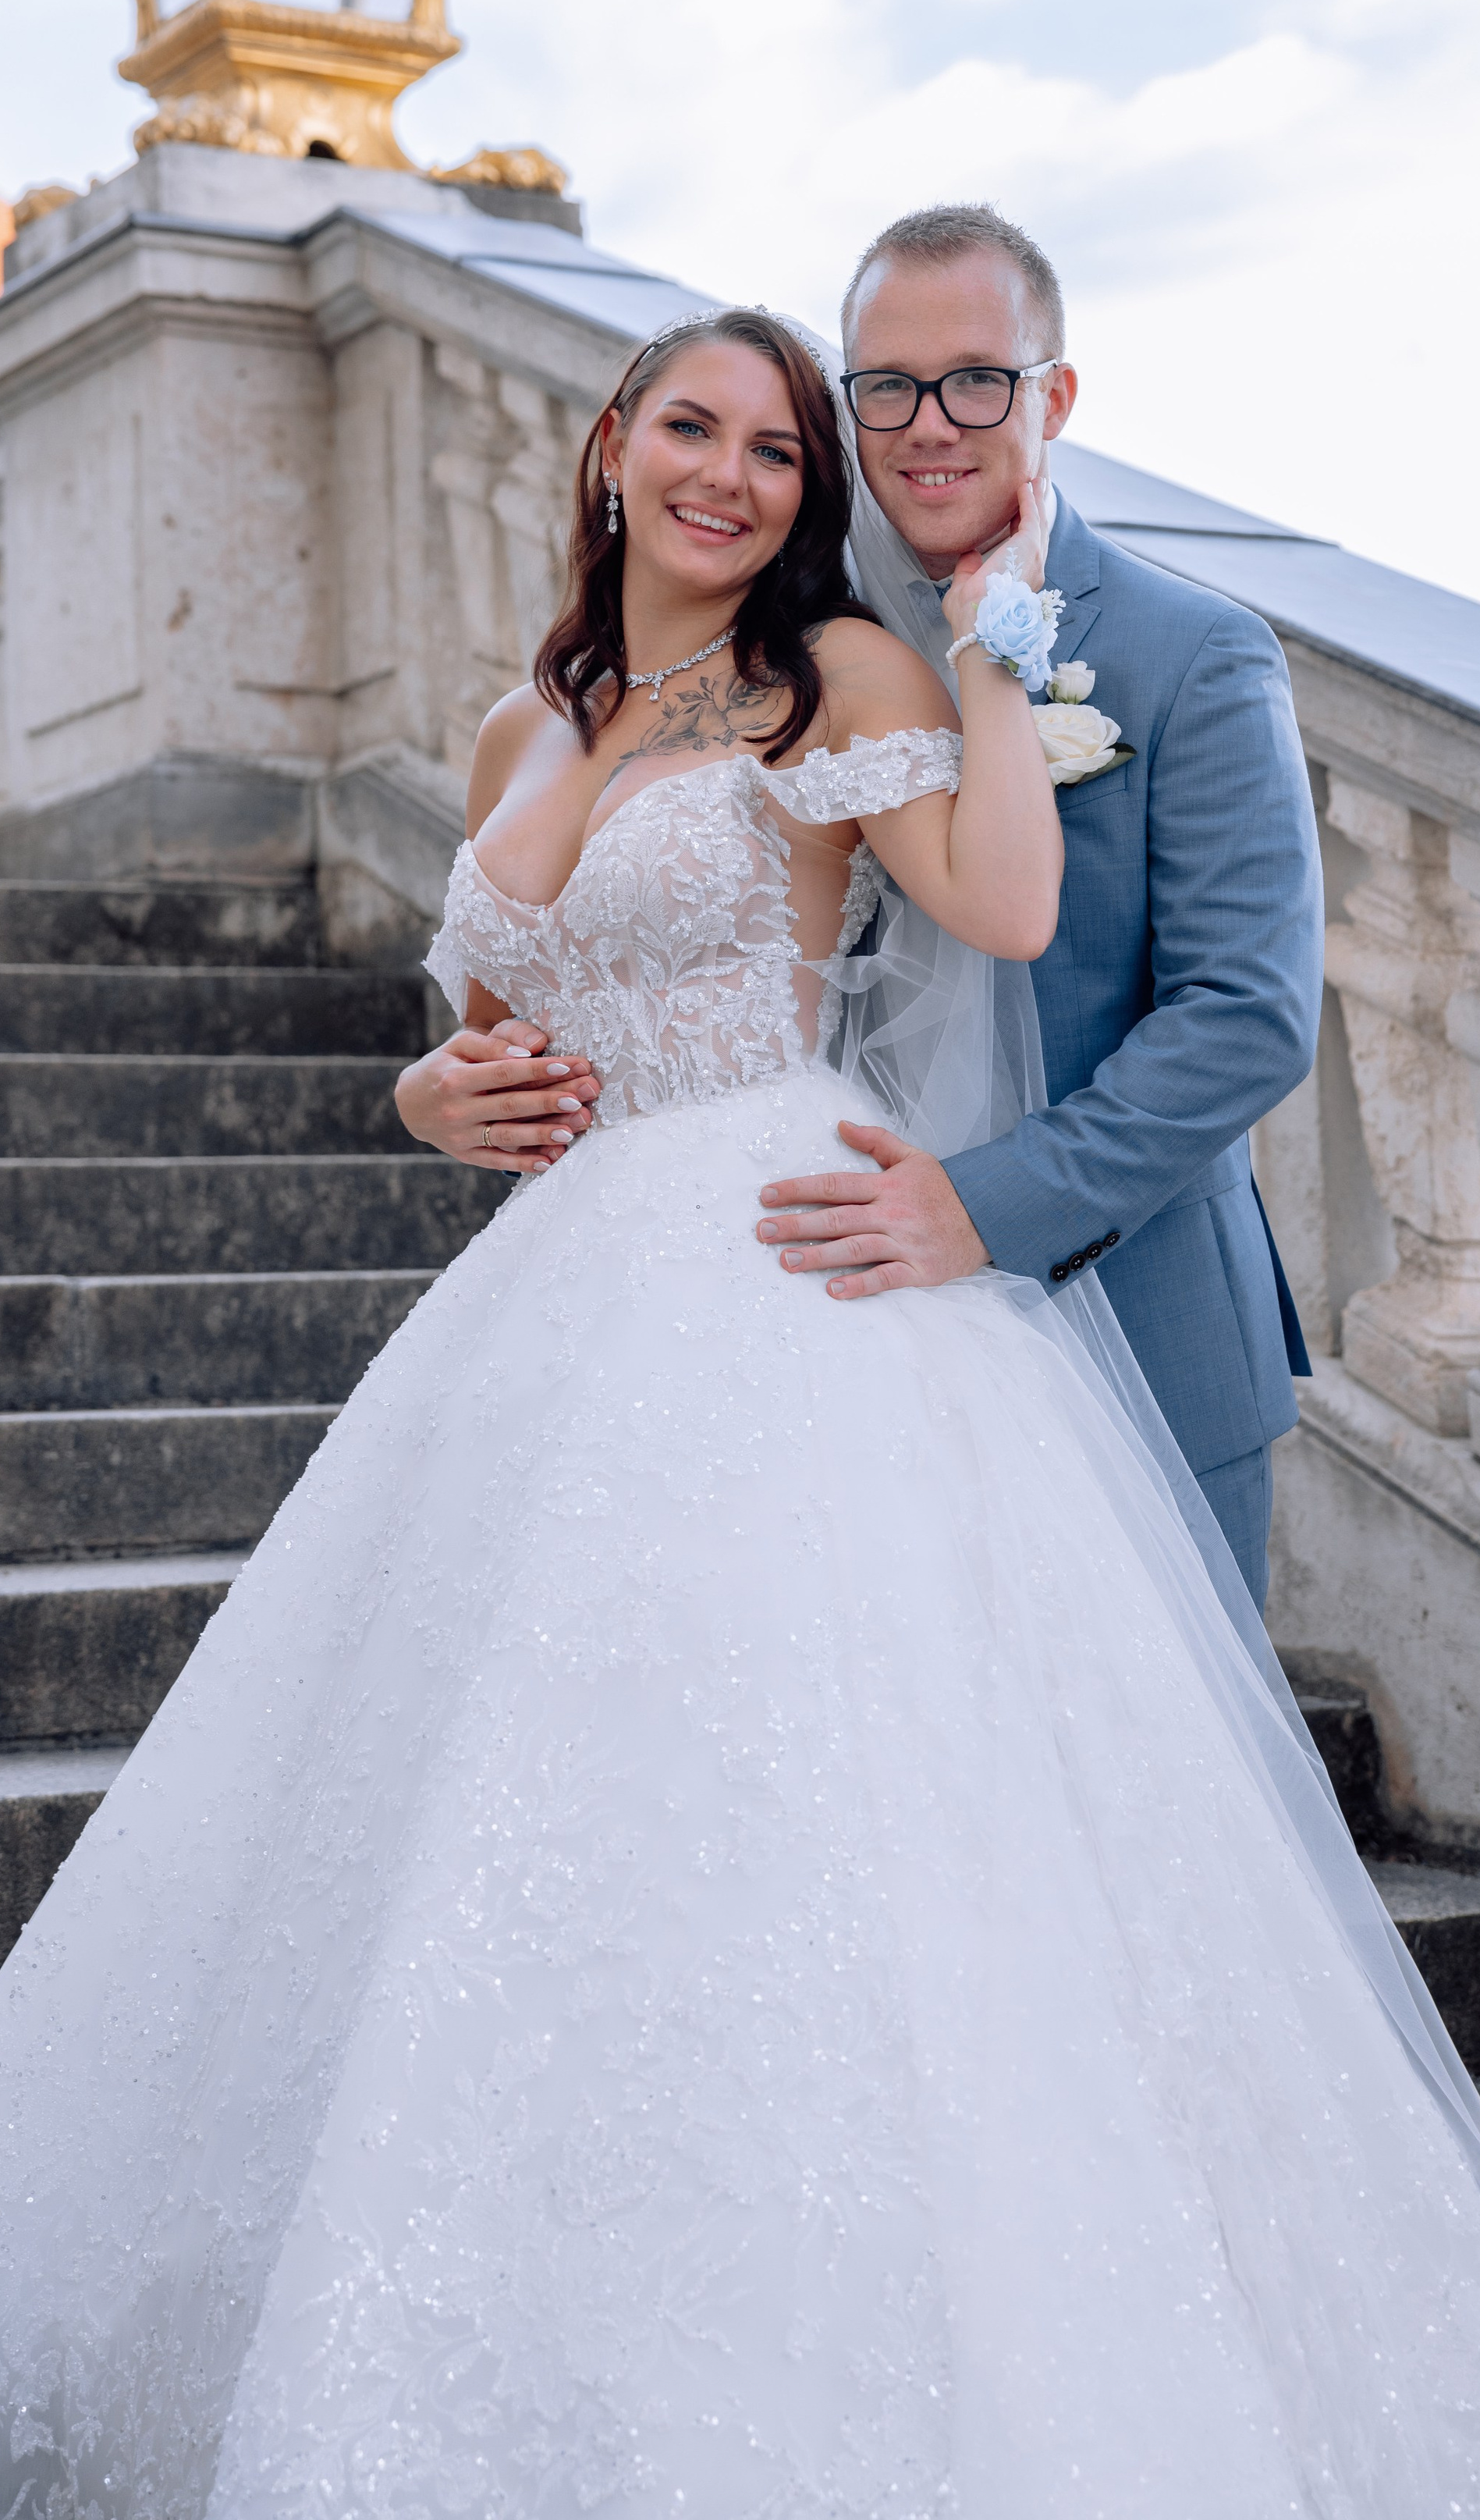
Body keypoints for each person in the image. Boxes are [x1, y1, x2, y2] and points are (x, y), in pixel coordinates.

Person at [0, 310, 1480, 2519]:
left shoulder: (838, 679)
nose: (736, 473)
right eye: (696, 426)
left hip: (783, 1258)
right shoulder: (514, 724)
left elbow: (1009, 902)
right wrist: (416, 1085)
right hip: (547, 1316)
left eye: (775, 441)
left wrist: (995, 644)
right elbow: (492, 1023)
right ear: (609, 447)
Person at [398, 211, 1321, 1607]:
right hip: (774, 1292)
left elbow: (1247, 1019)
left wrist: (983, 1208)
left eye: (978, 381)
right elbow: (558, 990)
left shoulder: (1192, 653)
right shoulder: (790, 631)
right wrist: (437, 1090)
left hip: (1123, 1315)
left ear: (1052, 395)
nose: (929, 423)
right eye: (884, 385)